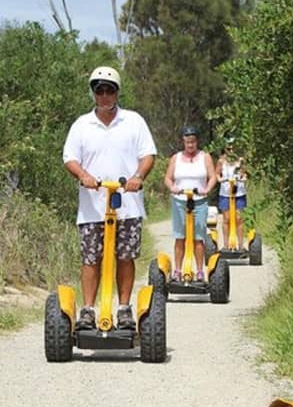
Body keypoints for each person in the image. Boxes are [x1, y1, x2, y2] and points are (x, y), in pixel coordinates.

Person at [63, 66, 157, 331]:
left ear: (117, 92)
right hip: (92, 207)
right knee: (90, 258)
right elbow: (70, 157)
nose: (104, 95)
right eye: (99, 90)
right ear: (93, 93)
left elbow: (148, 154)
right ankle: (88, 310)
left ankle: (125, 308)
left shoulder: (134, 121)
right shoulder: (82, 124)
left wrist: (138, 176)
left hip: (127, 205)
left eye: (109, 90)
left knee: (125, 257)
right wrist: (83, 175)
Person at [164, 126, 217, 281]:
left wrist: (206, 189)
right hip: (180, 201)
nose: (190, 145)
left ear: (196, 141)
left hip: (199, 201)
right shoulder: (176, 158)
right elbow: (167, 178)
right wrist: (173, 188)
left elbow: (212, 176)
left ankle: (200, 271)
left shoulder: (205, 157)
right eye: (187, 142)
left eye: (193, 142)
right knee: (180, 237)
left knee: (198, 238)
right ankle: (178, 270)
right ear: (183, 142)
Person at [216, 138, 247, 249]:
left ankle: (241, 246)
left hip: (239, 192)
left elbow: (244, 174)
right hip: (225, 192)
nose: (231, 150)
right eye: (229, 148)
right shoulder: (221, 161)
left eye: (233, 148)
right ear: (225, 149)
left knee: (238, 218)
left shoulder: (241, 160)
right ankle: (225, 245)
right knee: (226, 219)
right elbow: (217, 174)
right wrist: (220, 179)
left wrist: (242, 178)